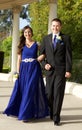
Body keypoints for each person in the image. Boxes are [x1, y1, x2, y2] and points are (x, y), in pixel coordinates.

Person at [3, 25, 49, 121]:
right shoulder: (21, 45)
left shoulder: (37, 43)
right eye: (25, 32)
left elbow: (45, 52)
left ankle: (24, 115)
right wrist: (17, 72)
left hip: (34, 68)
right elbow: (19, 60)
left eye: (29, 32)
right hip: (24, 70)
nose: (27, 34)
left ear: (31, 33)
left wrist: (41, 57)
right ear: (23, 34)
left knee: (30, 90)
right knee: (24, 90)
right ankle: (29, 112)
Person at [40, 18, 72, 125]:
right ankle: (52, 111)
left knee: (58, 93)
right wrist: (45, 65)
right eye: (53, 26)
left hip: (61, 71)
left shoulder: (66, 38)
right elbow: (41, 56)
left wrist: (68, 70)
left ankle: (56, 117)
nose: (55, 28)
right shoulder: (45, 39)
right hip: (49, 72)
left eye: (57, 26)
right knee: (48, 94)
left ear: (60, 27)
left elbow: (68, 56)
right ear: (51, 26)